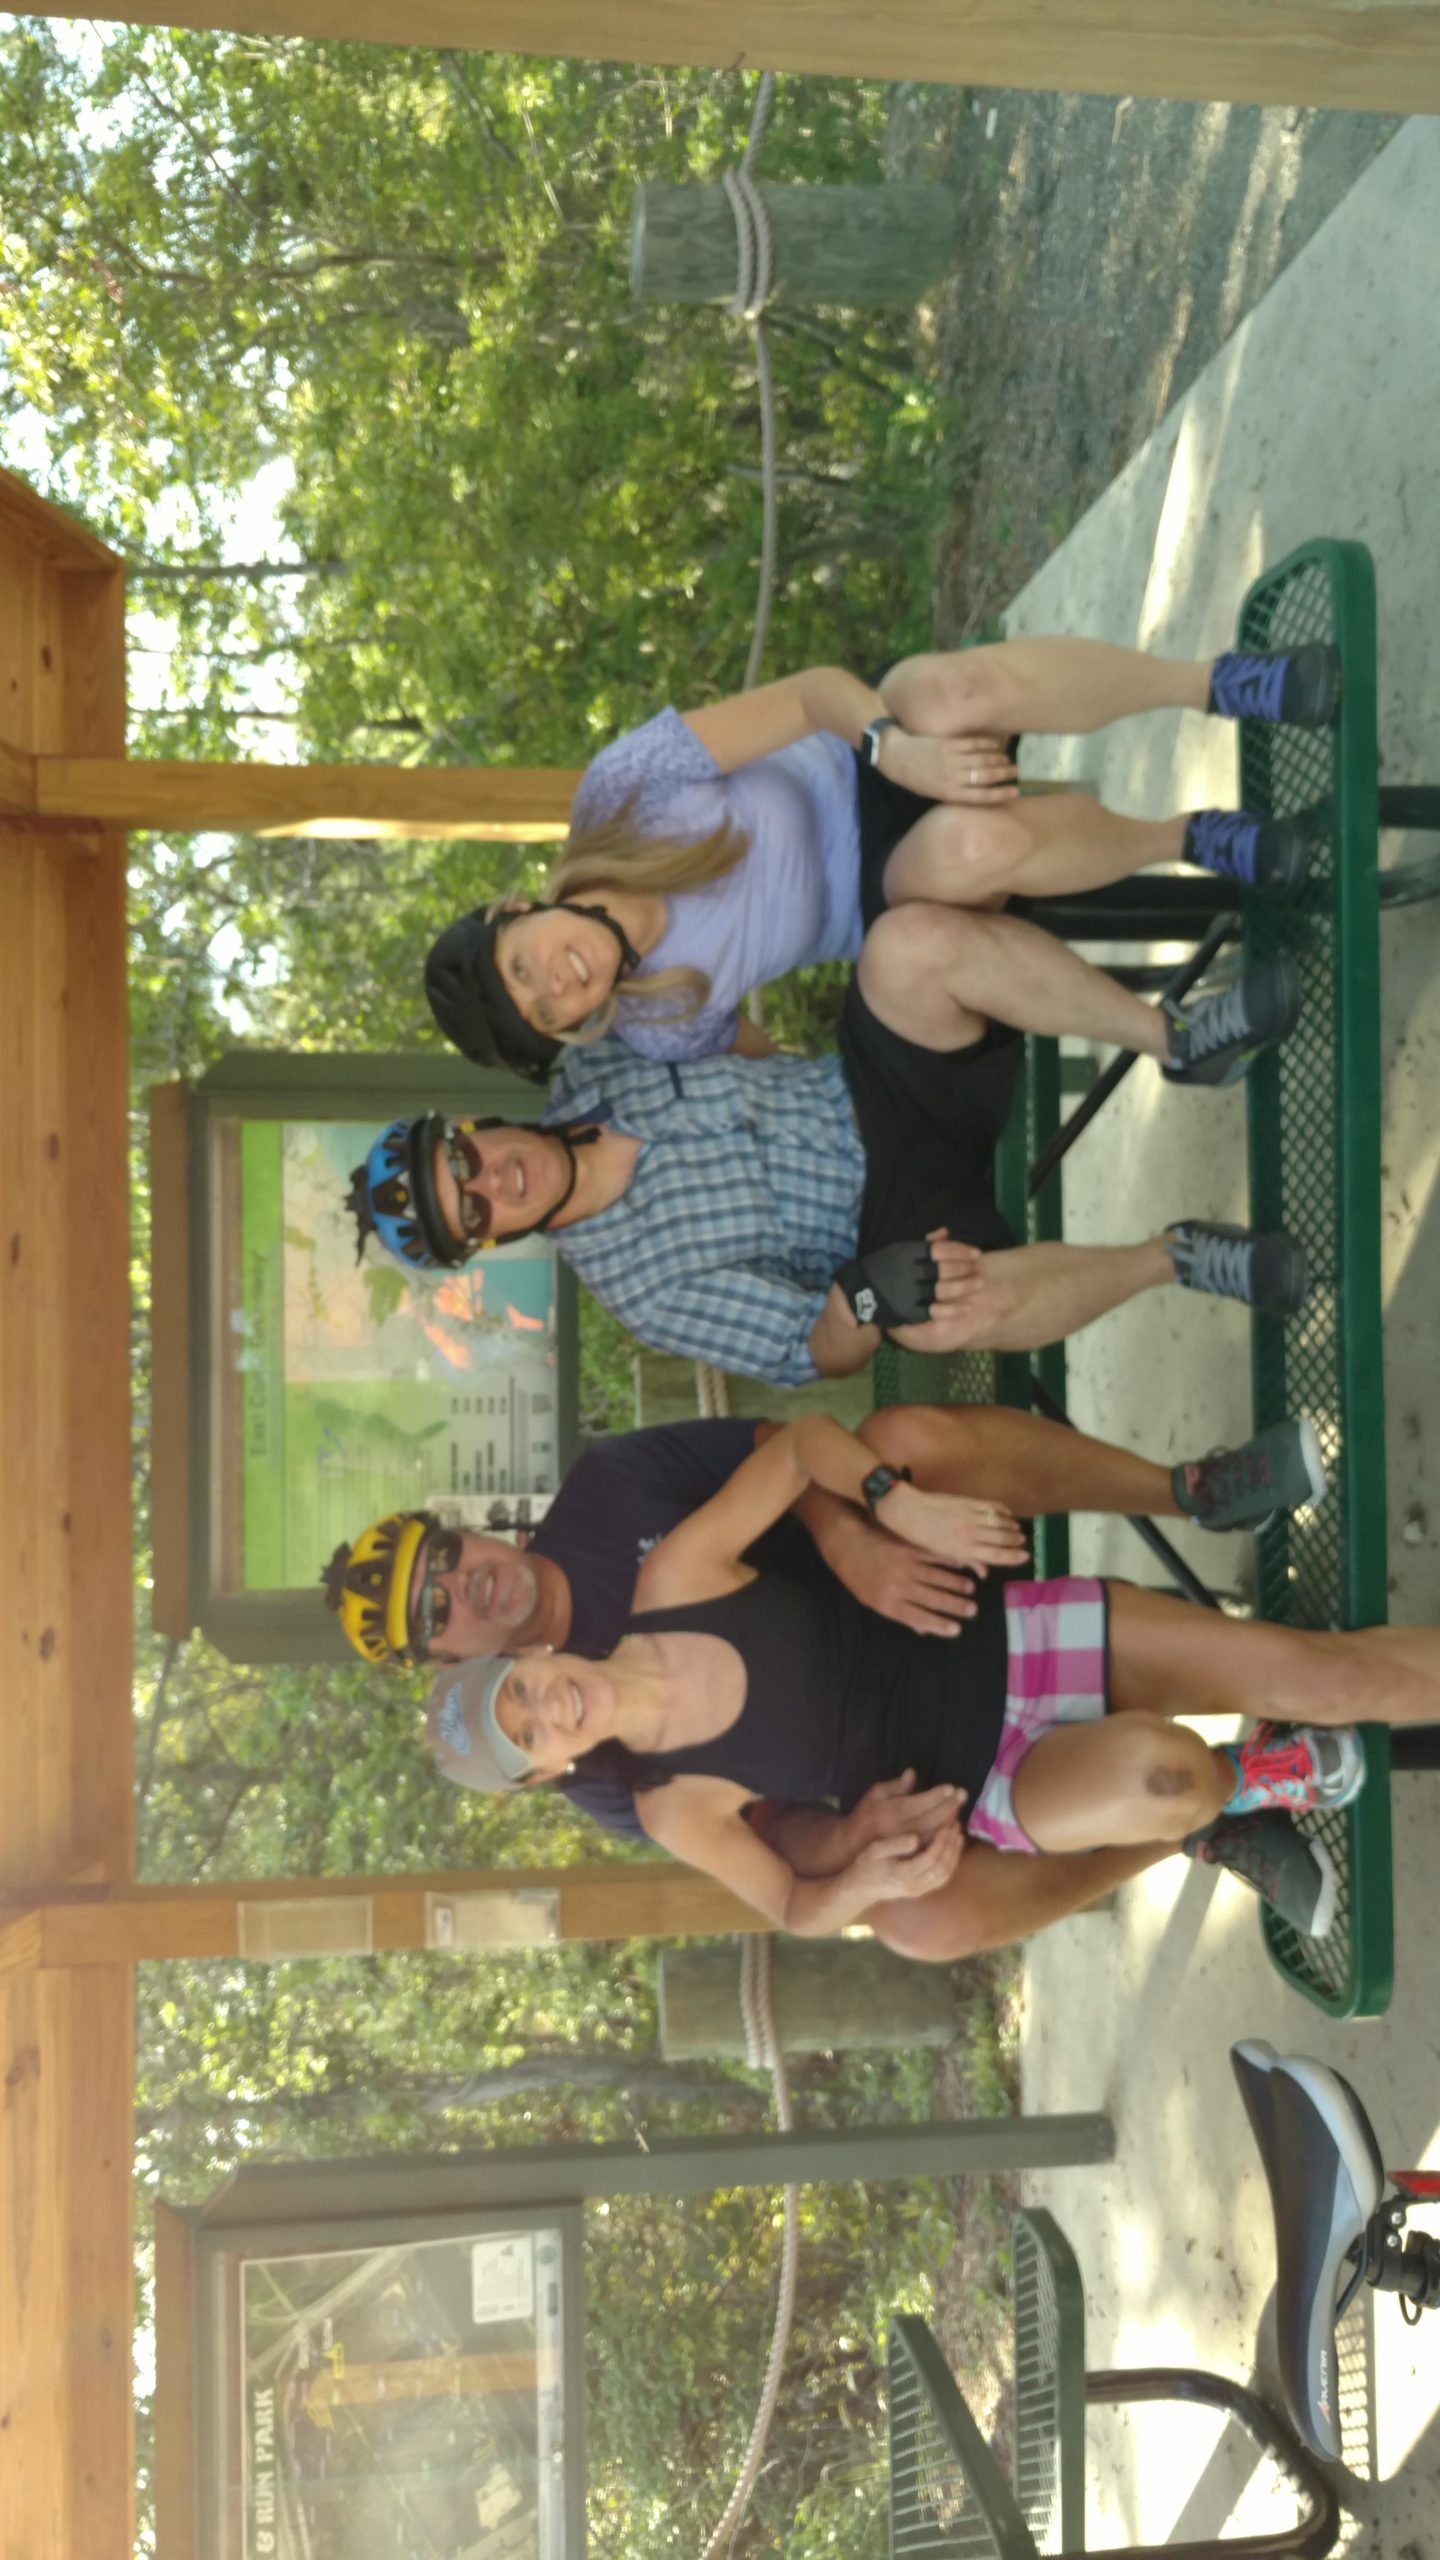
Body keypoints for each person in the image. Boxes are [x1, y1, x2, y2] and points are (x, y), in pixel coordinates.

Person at [424, 1412, 1430, 1962]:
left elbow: (802, 1441)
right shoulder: (661, 1799)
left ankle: (1204, 1507)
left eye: (521, 1690)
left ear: (532, 1659)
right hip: (986, 1781)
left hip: (1007, 1635)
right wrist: (861, 1869)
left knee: (1329, 1673)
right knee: (1172, 1782)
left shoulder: (668, 1578)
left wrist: (890, 1510)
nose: (546, 1709)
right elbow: (788, 1898)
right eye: (525, 1735)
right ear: (544, 1772)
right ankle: (1251, 1781)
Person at [424, 635, 1337, 1079]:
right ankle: (1194, 839)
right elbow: (763, 1055)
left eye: (522, 967)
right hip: (884, 896)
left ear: (516, 909)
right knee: (978, 842)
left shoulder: (622, 794)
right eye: (543, 1013)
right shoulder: (656, 1023)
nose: (556, 985)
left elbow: (809, 696)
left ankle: (1220, 684)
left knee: (955, 688)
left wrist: (893, 748)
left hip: (861, 756)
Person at [347, 1011, 1311, 1389]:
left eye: (465, 1162)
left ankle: (1175, 1033)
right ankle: (1177, 1255)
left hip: (874, 1085)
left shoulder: (604, 1053)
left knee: (911, 947)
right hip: (888, 1225)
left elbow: (742, 1036)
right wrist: (862, 1297)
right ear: (489, 1243)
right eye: (472, 1214)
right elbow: (808, 1350)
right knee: (938, 1318)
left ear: (473, 1124)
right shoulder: (639, 1287)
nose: (493, 1184)